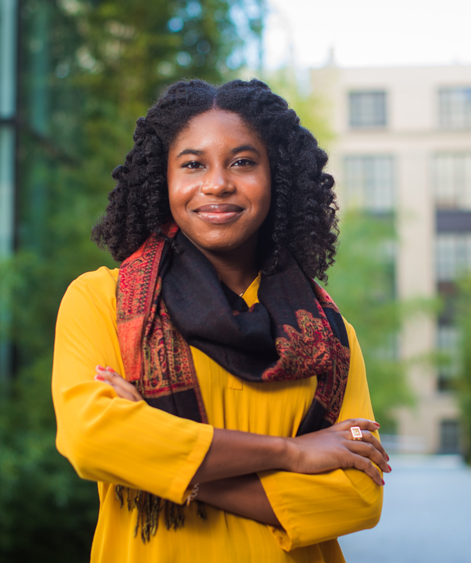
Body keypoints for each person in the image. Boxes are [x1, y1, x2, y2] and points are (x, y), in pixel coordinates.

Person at [52, 79, 389, 563]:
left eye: (242, 162)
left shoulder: (329, 334)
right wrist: (291, 453)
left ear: (277, 177)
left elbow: (358, 496)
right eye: (193, 164)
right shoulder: (103, 302)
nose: (217, 184)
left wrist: (162, 463)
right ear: (162, 179)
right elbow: (92, 439)